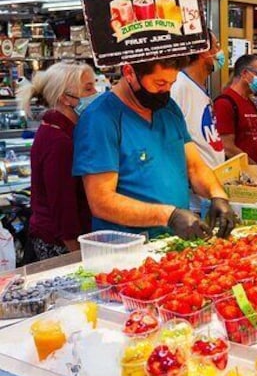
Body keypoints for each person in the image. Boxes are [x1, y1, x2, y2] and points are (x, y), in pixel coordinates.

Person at [73, 58, 237, 240]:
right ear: (129, 73)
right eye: (160, 83)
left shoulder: (169, 109)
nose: (166, 90)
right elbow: (101, 201)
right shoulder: (100, 119)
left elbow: (195, 167)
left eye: (171, 83)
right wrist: (168, 216)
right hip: (126, 247)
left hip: (174, 242)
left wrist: (217, 194)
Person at [18, 62, 96, 260]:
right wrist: (77, 255)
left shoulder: (59, 130)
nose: (96, 93)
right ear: (65, 98)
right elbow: (63, 206)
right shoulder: (60, 141)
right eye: (88, 88)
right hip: (58, 244)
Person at [170, 33, 226, 212]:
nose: (219, 52)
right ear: (203, 52)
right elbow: (173, 142)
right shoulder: (179, 86)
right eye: (216, 46)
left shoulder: (200, 87)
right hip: (194, 201)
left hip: (210, 191)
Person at [214, 54, 257, 165]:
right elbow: (227, 147)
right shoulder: (224, 103)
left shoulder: (249, 102)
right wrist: (255, 167)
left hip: (255, 171)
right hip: (239, 173)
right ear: (244, 73)